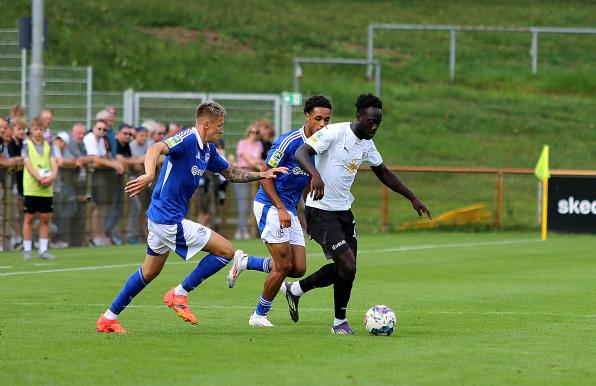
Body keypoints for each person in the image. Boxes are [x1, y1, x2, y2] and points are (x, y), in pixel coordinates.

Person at [95, 101, 287, 333]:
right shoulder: (186, 139)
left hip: (161, 219)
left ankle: (108, 318)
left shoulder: (208, 150)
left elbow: (231, 173)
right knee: (226, 252)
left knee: (150, 272)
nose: (222, 130)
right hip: (167, 219)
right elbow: (155, 148)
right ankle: (179, 294)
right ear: (207, 124)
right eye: (220, 125)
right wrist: (148, 173)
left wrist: (262, 174)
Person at [282, 94, 432, 334]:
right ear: (359, 117)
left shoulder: (367, 144)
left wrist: (412, 197)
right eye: (371, 121)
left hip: (343, 211)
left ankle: (296, 290)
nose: (374, 126)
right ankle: (339, 323)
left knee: (347, 269)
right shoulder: (334, 133)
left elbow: (383, 172)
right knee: (348, 266)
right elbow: (301, 153)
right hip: (320, 211)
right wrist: (315, 175)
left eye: (378, 123)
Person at [226, 95, 333, 327]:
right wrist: (281, 208)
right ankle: (259, 315)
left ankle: (245, 261)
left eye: (327, 119)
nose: (323, 124)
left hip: (290, 209)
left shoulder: (322, 144)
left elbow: (307, 182)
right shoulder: (288, 142)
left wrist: (309, 217)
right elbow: (265, 176)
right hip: (270, 205)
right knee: (283, 265)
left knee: (298, 268)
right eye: (318, 119)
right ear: (307, 116)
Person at [21, 117, 59, 260]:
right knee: (29, 217)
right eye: (35, 129)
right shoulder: (26, 145)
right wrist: (39, 177)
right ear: (31, 129)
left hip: (46, 187)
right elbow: (27, 163)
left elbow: (54, 162)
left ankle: (43, 250)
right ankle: (27, 250)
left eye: (41, 129)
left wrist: (52, 176)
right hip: (32, 187)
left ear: (45, 130)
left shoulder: (49, 145)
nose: (38, 132)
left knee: (45, 217)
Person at [83, 119, 124, 246]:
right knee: (94, 206)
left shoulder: (101, 140)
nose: (101, 131)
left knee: (100, 207)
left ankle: (99, 235)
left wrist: (114, 163)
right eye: (98, 129)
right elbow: (95, 159)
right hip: (88, 177)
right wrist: (115, 165)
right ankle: (94, 236)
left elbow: (103, 157)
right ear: (93, 128)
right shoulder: (90, 138)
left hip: (97, 177)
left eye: (104, 129)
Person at [233, 124, 264, 239]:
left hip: (254, 177)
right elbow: (248, 159)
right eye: (251, 131)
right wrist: (258, 164)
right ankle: (242, 230)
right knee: (243, 205)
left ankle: (248, 231)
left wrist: (257, 163)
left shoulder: (259, 144)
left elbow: (257, 159)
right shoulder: (242, 143)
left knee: (253, 205)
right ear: (248, 132)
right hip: (242, 174)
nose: (253, 134)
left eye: (256, 132)